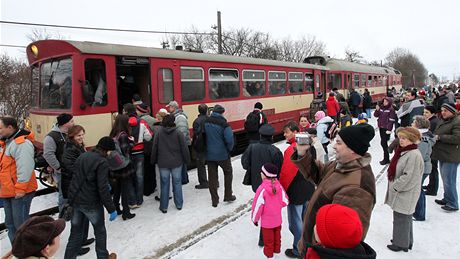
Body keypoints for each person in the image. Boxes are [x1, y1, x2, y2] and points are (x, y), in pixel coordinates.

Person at [291, 123, 376, 257]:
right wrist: (302, 154)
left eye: (339, 143)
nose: (334, 146)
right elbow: (319, 174)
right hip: (312, 247)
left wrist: (313, 252)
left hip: (318, 252)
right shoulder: (342, 165)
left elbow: (342, 239)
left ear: (353, 149)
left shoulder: (356, 189)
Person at [64, 137, 118, 259]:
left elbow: (78, 177)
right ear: (106, 150)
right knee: (100, 232)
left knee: (75, 234)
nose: (110, 154)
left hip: (76, 200)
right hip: (91, 203)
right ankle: (103, 257)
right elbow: (102, 188)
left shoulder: (83, 155)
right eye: (110, 151)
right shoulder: (102, 162)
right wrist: (111, 209)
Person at [241, 123, 283, 247]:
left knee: (262, 207)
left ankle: (263, 237)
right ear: (272, 137)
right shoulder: (275, 151)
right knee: (267, 211)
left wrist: (255, 170)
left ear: (260, 135)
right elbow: (278, 171)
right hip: (271, 187)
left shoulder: (251, 148)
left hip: (257, 184)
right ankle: (264, 238)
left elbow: (244, 164)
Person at [279, 122, 315, 258]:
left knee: (295, 223)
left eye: (287, 132)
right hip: (309, 188)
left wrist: (283, 190)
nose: (284, 135)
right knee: (306, 220)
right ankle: (307, 245)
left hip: (296, 191)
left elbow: (286, 174)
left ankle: (298, 250)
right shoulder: (309, 145)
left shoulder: (291, 149)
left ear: (295, 132)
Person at [385, 127, 424, 252]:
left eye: (404, 138)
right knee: (404, 217)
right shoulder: (405, 151)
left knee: (401, 217)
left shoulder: (413, 155)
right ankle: (406, 240)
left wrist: (396, 186)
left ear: (412, 140)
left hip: (405, 192)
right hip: (403, 192)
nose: (401, 140)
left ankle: (400, 243)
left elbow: (410, 176)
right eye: (400, 137)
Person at [0, 117, 37, 243]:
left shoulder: (22, 144)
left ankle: (26, 252)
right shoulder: (7, 142)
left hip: (19, 192)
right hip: (9, 191)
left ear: (10, 127)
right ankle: (18, 251)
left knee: (21, 226)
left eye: (0, 128)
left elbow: (25, 167)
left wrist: (20, 189)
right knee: (11, 224)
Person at [61, 125, 94, 255]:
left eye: (82, 135)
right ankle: (76, 248)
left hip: (81, 186)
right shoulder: (70, 149)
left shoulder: (78, 146)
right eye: (78, 135)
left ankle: (83, 239)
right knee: (78, 218)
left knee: (84, 215)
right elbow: (72, 168)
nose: (81, 137)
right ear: (72, 136)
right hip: (74, 187)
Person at [151, 114, 191, 213]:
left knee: (164, 184)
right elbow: (184, 148)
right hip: (177, 162)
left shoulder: (159, 133)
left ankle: (164, 207)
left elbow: (154, 148)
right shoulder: (178, 133)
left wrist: (153, 160)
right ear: (173, 121)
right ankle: (179, 204)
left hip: (163, 162)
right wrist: (187, 160)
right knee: (177, 183)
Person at [305, 204, 376, 259]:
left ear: (329, 240)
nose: (315, 226)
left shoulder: (317, 255)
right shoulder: (359, 253)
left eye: (318, 226)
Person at [251, 163, 289, 259]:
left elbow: (257, 206)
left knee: (268, 242)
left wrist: (254, 219)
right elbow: (285, 201)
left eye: (262, 172)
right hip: (278, 221)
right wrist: (276, 206)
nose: (260, 173)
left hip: (267, 224)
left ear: (265, 175)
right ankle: (276, 255)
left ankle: (270, 257)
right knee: (277, 240)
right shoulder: (279, 186)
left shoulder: (262, 189)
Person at [204, 105, 236, 207]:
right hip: (222, 154)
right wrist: (229, 149)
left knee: (212, 177)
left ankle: (214, 200)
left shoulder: (206, 121)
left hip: (209, 154)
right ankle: (228, 195)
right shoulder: (224, 124)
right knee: (228, 173)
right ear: (222, 113)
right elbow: (229, 139)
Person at [43, 113, 75, 212]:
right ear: (65, 124)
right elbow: (48, 154)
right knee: (64, 193)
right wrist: (58, 168)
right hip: (63, 171)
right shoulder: (51, 137)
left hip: (72, 169)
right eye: (71, 121)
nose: (74, 123)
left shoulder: (69, 133)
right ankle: (64, 213)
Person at [432, 103, 460, 212]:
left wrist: (440, 137)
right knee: (445, 178)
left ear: (452, 111)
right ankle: (447, 198)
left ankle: (453, 203)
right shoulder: (445, 120)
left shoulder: (456, 122)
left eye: (446, 111)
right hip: (443, 154)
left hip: (451, 156)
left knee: (449, 180)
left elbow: (457, 138)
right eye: (442, 110)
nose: (443, 112)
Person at [123, 103, 152, 208]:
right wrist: (141, 140)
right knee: (139, 177)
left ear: (126, 112)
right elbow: (149, 137)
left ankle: (132, 201)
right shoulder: (142, 122)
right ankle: (140, 200)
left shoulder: (124, 123)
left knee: (129, 177)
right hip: (139, 153)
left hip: (128, 153)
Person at [108, 114, 136, 220]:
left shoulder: (113, 133)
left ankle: (116, 208)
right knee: (125, 189)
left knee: (117, 189)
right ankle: (126, 212)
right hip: (124, 166)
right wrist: (132, 142)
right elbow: (126, 150)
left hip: (115, 166)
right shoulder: (123, 135)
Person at [411, 116, 435, 221]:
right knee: (418, 189)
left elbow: (419, 155)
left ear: (418, 125)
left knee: (418, 190)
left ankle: (419, 214)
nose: (412, 124)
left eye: (413, 122)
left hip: (422, 168)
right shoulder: (421, 136)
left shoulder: (423, 139)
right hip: (423, 167)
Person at [167, 101, 192, 185]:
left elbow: (183, 132)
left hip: (181, 143)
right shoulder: (177, 116)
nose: (168, 109)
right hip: (180, 143)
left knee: (181, 162)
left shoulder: (179, 117)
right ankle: (183, 178)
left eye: (169, 107)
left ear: (173, 107)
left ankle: (183, 179)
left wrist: (179, 143)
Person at [136, 103, 157, 196]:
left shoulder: (140, 121)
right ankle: (153, 186)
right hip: (152, 146)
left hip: (144, 147)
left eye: (137, 110)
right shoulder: (153, 119)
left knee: (145, 168)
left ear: (141, 111)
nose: (136, 112)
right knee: (151, 167)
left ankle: (147, 189)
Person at [423, 105, 440, 195]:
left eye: (427, 112)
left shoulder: (433, 122)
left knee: (433, 169)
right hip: (431, 148)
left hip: (433, 149)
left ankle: (433, 189)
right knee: (432, 169)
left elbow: (431, 135)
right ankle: (431, 185)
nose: (424, 114)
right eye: (424, 112)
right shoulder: (431, 120)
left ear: (432, 113)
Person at [374, 97, 396, 165]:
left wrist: (389, 129)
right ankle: (386, 158)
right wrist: (377, 110)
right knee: (383, 143)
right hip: (381, 127)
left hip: (386, 128)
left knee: (384, 143)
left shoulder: (391, 109)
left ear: (389, 102)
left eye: (386, 101)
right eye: (384, 101)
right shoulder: (381, 108)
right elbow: (376, 115)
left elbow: (391, 120)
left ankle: (386, 158)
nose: (384, 103)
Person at [192, 104, 209, 189]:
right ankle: (214, 181)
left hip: (201, 146)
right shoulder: (210, 120)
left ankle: (203, 182)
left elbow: (196, 135)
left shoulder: (196, 121)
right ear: (206, 111)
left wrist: (195, 146)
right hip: (210, 145)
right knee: (211, 164)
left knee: (201, 165)